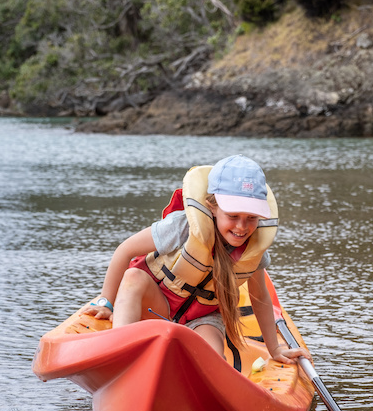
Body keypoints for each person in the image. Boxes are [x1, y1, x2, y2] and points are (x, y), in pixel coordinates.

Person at [82, 155, 309, 366]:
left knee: (212, 362)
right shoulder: (182, 226)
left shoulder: (254, 249)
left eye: (251, 218)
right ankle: (120, 351)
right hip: (156, 307)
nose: (242, 227)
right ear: (212, 207)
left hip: (203, 319)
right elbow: (125, 250)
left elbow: (259, 296)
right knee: (133, 277)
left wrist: (274, 349)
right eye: (233, 216)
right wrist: (106, 301)